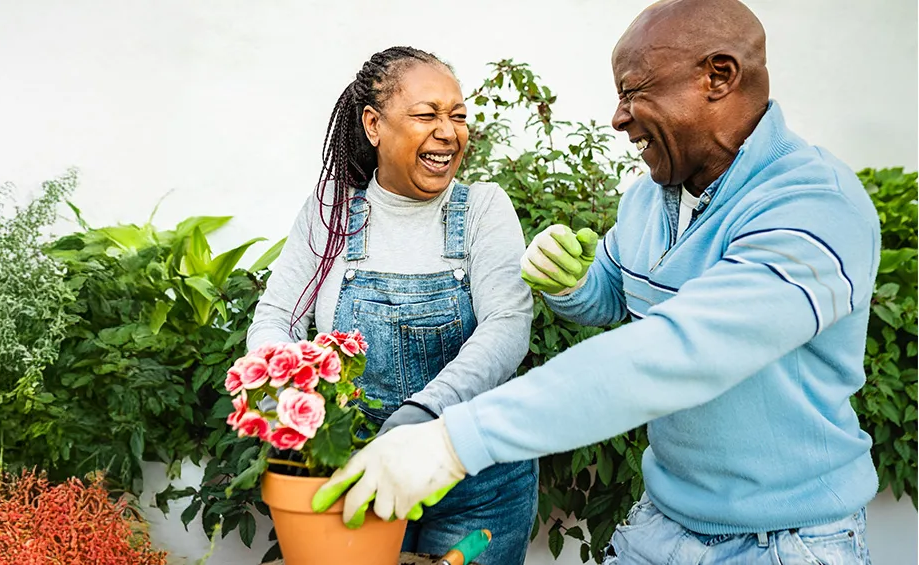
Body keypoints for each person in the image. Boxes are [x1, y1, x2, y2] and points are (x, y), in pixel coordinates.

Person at [315, 1, 882, 563]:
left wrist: (453, 440)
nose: (618, 117)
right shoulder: (650, 197)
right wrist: (571, 283)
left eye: (635, 91)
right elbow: (612, 294)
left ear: (718, 76)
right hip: (664, 523)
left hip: (785, 541)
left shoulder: (814, 206)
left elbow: (681, 350)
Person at [247, 46, 537, 563]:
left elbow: (507, 325)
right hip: (365, 479)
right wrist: (288, 400)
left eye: (458, 115)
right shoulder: (332, 211)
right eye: (427, 115)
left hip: (478, 481)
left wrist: (421, 414)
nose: (449, 132)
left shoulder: (483, 208)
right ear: (374, 124)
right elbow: (277, 317)